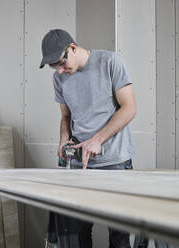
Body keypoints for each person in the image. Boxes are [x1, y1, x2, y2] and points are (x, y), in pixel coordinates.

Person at [40, 29, 137, 248]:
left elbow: (129, 108)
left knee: (119, 237)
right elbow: (66, 116)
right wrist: (63, 139)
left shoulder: (110, 62)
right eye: (55, 67)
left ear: (72, 48)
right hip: (79, 166)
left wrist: (97, 139)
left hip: (114, 162)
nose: (61, 71)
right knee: (78, 235)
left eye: (62, 64)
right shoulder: (59, 78)